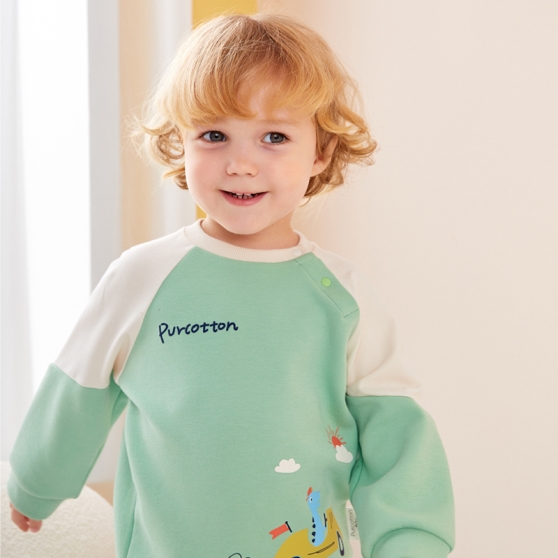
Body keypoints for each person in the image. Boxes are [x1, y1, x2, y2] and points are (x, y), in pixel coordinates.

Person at [8, 13, 455, 558]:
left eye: (274, 137)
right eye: (214, 135)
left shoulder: (342, 295)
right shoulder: (141, 276)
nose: (240, 164)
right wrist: (36, 481)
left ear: (319, 152)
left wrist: (410, 540)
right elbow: (80, 387)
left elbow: (394, 432)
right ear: (181, 143)